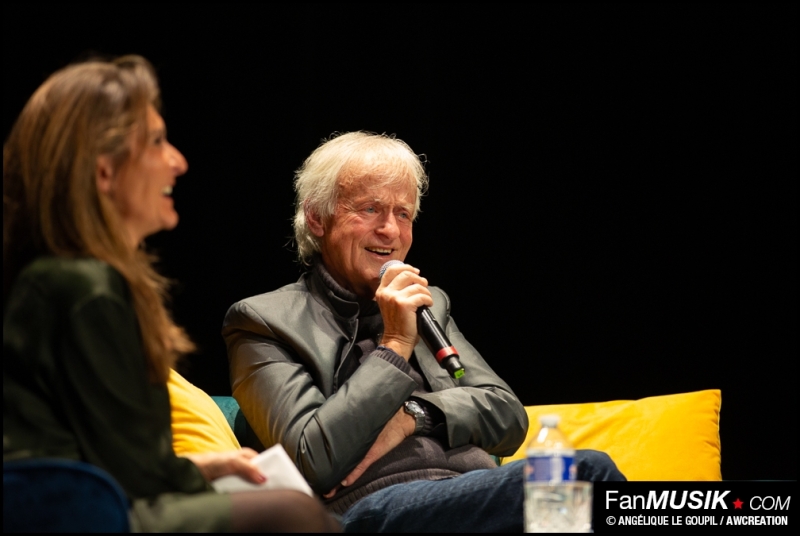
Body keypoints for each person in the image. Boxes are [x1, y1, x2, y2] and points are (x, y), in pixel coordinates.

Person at [222, 131, 626, 532]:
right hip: (370, 509)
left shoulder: (429, 303)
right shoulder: (262, 320)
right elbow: (314, 459)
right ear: (316, 217)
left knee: (657, 508)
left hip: (470, 493)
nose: (391, 231)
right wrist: (395, 345)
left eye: (403, 214)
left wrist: (416, 415)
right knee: (583, 474)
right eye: (369, 209)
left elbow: (506, 415)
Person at [3, 55, 340, 533]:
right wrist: (201, 475)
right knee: (294, 514)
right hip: (73, 514)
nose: (178, 161)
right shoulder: (85, 287)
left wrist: (206, 467)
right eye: (157, 142)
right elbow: (131, 476)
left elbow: (111, 454)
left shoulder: (61, 277)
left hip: (83, 500)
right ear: (104, 174)